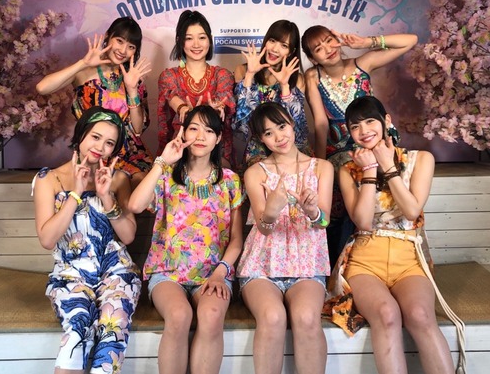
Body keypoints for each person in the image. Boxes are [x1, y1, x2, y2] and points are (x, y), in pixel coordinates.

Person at [323, 96, 465, 374]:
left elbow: (411, 211)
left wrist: (387, 166)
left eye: (370, 121)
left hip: (409, 259)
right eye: (355, 126)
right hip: (364, 260)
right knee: (387, 315)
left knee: (420, 315)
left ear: (386, 121)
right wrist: (369, 171)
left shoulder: (420, 159)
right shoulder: (347, 169)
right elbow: (363, 221)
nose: (364, 131)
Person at [129, 105, 244, 374]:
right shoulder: (166, 176)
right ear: (183, 133)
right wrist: (162, 161)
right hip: (167, 272)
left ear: (218, 138)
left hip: (214, 273)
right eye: (194, 128)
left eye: (209, 130)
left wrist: (220, 273)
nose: (201, 136)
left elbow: (237, 240)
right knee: (179, 316)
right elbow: (135, 205)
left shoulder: (230, 181)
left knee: (211, 316)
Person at [32, 106, 141, 374]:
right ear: (81, 134)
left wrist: (105, 196)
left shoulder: (118, 180)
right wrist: (76, 193)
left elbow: (128, 236)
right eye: (95, 137)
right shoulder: (49, 179)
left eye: (109, 143)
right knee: (79, 326)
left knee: (112, 327)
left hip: (117, 273)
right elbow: (47, 239)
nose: (100, 147)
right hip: (71, 275)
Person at [302, 27, 418, 265]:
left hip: (376, 141)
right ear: (313, 58)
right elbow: (321, 123)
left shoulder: (362, 63)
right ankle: (343, 258)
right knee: (339, 192)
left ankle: (388, 244)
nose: (327, 49)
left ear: (338, 39)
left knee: (383, 174)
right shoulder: (313, 76)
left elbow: (410, 40)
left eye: (329, 41)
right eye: (318, 49)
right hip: (340, 149)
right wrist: (320, 165)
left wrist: (366, 42)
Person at [236, 102, 333, 374]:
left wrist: (312, 211)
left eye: (281, 126)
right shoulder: (255, 173)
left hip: (307, 265)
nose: (279, 137)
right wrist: (271, 209)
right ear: (261, 139)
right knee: (272, 316)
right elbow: (264, 228)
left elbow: (324, 222)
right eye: (268, 133)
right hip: (262, 265)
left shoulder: (322, 167)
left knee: (306, 317)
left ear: (292, 123)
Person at [36, 16, 154, 188]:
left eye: (131, 47)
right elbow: (42, 88)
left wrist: (132, 90)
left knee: (146, 184)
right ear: (108, 36)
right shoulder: (85, 73)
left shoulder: (133, 79)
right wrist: (83, 64)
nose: (123, 50)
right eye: (119, 41)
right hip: (95, 151)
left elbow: (137, 130)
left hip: (130, 153)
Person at [157, 10, 235, 166]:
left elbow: (224, 104)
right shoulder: (169, 76)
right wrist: (183, 109)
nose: (196, 44)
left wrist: (218, 108)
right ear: (180, 41)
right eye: (189, 38)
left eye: (202, 37)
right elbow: (173, 99)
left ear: (209, 40)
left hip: (216, 152)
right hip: (180, 150)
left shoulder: (222, 75)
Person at [233, 20, 310, 169]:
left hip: (289, 146)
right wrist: (250, 75)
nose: (275, 49)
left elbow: (298, 129)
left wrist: (285, 86)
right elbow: (242, 125)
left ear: (291, 51)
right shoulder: (242, 70)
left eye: (284, 46)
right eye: (272, 41)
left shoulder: (298, 80)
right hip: (259, 147)